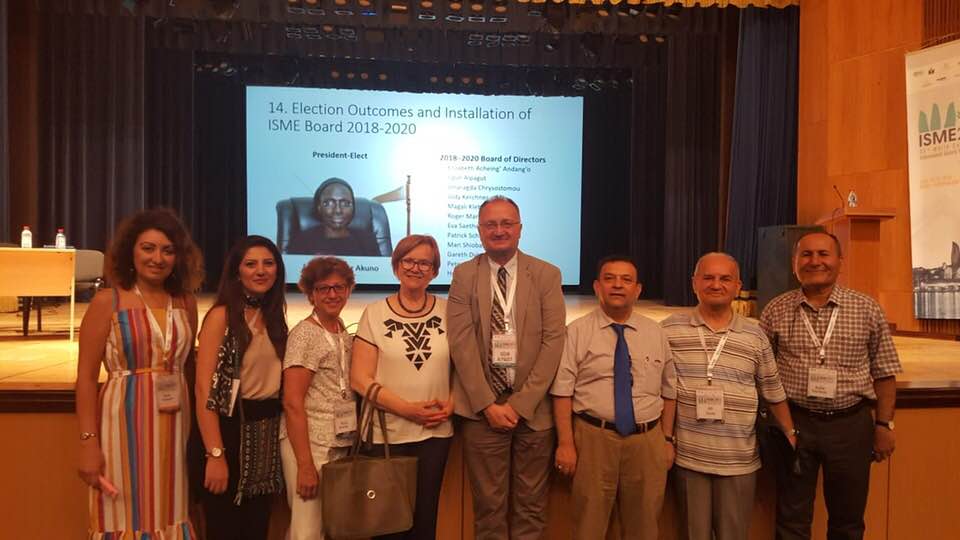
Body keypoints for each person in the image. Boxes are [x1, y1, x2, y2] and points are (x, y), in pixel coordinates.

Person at [760, 231, 902, 540]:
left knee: (848, 522)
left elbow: (885, 373)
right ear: (794, 263)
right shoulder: (775, 310)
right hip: (794, 424)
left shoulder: (867, 308)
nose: (815, 261)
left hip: (850, 426)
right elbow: (763, 374)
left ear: (839, 261)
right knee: (791, 518)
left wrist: (884, 425)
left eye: (823, 254)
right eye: (806, 254)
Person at [75, 208, 204, 538]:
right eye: (148, 248)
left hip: (175, 423)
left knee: (171, 507)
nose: (157, 258)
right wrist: (88, 443)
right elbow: (86, 379)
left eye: (167, 250)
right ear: (130, 251)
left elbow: (189, 368)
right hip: (122, 422)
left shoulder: (185, 302)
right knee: (123, 514)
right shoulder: (108, 302)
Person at [447, 195, 566, 540]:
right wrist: (487, 404)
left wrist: (520, 404)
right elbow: (461, 342)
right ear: (479, 230)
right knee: (489, 509)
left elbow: (553, 341)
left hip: (534, 412)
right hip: (482, 413)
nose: (498, 230)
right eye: (490, 224)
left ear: (520, 229)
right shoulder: (464, 274)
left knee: (531, 508)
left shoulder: (546, 274)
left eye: (506, 224)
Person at [661, 252, 797, 540]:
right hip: (689, 457)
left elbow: (773, 390)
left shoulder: (755, 335)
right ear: (694, 283)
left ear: (738, 286)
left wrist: (790, 433)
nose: (716, 284)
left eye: (725, 278)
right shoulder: (669, 330)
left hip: (740, 459)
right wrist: (666, 440)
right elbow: (662, 389)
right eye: (708, 277)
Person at [551, 255, 676, 540]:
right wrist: (566, 443)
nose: (617, 285)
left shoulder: (656, 333)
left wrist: (667, 439)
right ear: (597, 287)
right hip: (593, 440)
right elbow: (562, 391)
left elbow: (670, 390)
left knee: (644, 527)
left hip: (647, 442)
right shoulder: (577, 332)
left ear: (638, 289)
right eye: (609, 279)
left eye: (626, 280)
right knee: (589, 526)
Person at [351, 234, 454, 540]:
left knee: (425, 520)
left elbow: (464, 369)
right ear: (396, 266)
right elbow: (360, 378)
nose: (415, 268)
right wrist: (408, 410)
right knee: (387, 524)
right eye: (408, 260)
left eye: (424, 263)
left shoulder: (450, 311)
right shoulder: (374, 313)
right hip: (387, 435)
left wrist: (453, 402)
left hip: (435, 433)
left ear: (435, 271)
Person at [194, 236, 288, 539]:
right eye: (251, 264)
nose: (261, 270)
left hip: (265, 437)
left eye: (268, 263)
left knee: (257, 528)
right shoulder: (220, 317)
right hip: (228, 432)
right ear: (237, 271)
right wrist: (215, 454)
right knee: (225, 528)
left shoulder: (274, 317)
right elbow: (204, 390)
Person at [281, 257, 358, 540]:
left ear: (349, 290)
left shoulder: (341, 330)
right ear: (311, 293)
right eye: (324, 288)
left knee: (327, 528)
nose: (332, 294)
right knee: (307, 530)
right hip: (309, 446)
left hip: (338, 443)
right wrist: (305, 465)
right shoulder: (305, 334)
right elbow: (292, 402)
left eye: (339, 287)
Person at [286, 177, 381, 256]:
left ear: (353, 207)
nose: (338, 210)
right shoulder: (302, 241)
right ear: (319, 207)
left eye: (345, 203)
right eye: (329, 203)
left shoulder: (367, 240)